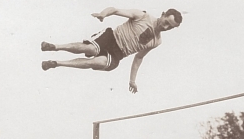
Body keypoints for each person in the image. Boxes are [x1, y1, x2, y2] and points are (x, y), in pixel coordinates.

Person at [40, 7, 183, 93]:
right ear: (163, 14)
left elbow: (139, 58)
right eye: (166, 23)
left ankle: (56, 63)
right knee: (92, 49)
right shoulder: (143, 16)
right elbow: (115, 10)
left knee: (100, 62)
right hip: (111, 37)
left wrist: (132, 80)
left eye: (170, 27)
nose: (165, 28)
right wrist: (103, 14)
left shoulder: (157, 41)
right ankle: (55, 47)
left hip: (118, 54)